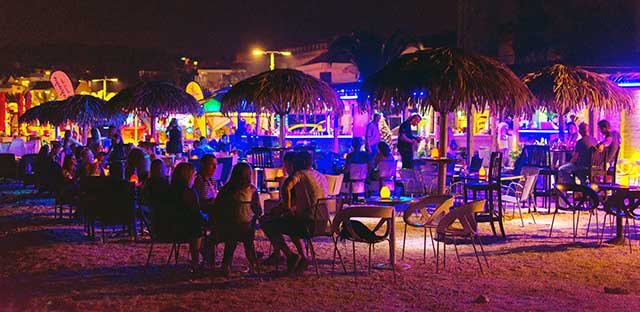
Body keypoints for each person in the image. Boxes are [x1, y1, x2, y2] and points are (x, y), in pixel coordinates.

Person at [261, 151, 328, 275]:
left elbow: (287, 186)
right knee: (291, 219)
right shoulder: (320, 176)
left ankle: (289, 255)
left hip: (307, 225)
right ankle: (302, 257)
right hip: (323, 224)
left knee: (268, 224)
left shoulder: (300, 175)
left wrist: (286, 208)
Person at [211, 163, 262, 276]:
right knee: (248, 242)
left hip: (226, 228)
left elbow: (217, 208)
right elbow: (258, 210)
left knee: (231, 240)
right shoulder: (252, 190)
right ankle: (253, 264)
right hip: (246, 229)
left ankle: (226, 265)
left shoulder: (226, 190)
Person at [164, 162, 204, 270]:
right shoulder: (188, 192)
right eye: (194, 175)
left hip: (167, 227)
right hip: (182, 230)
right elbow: (194, 213)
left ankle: (200, 259)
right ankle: (197, 260)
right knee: (199, 228)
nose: (195, 177)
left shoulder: (168, 190)